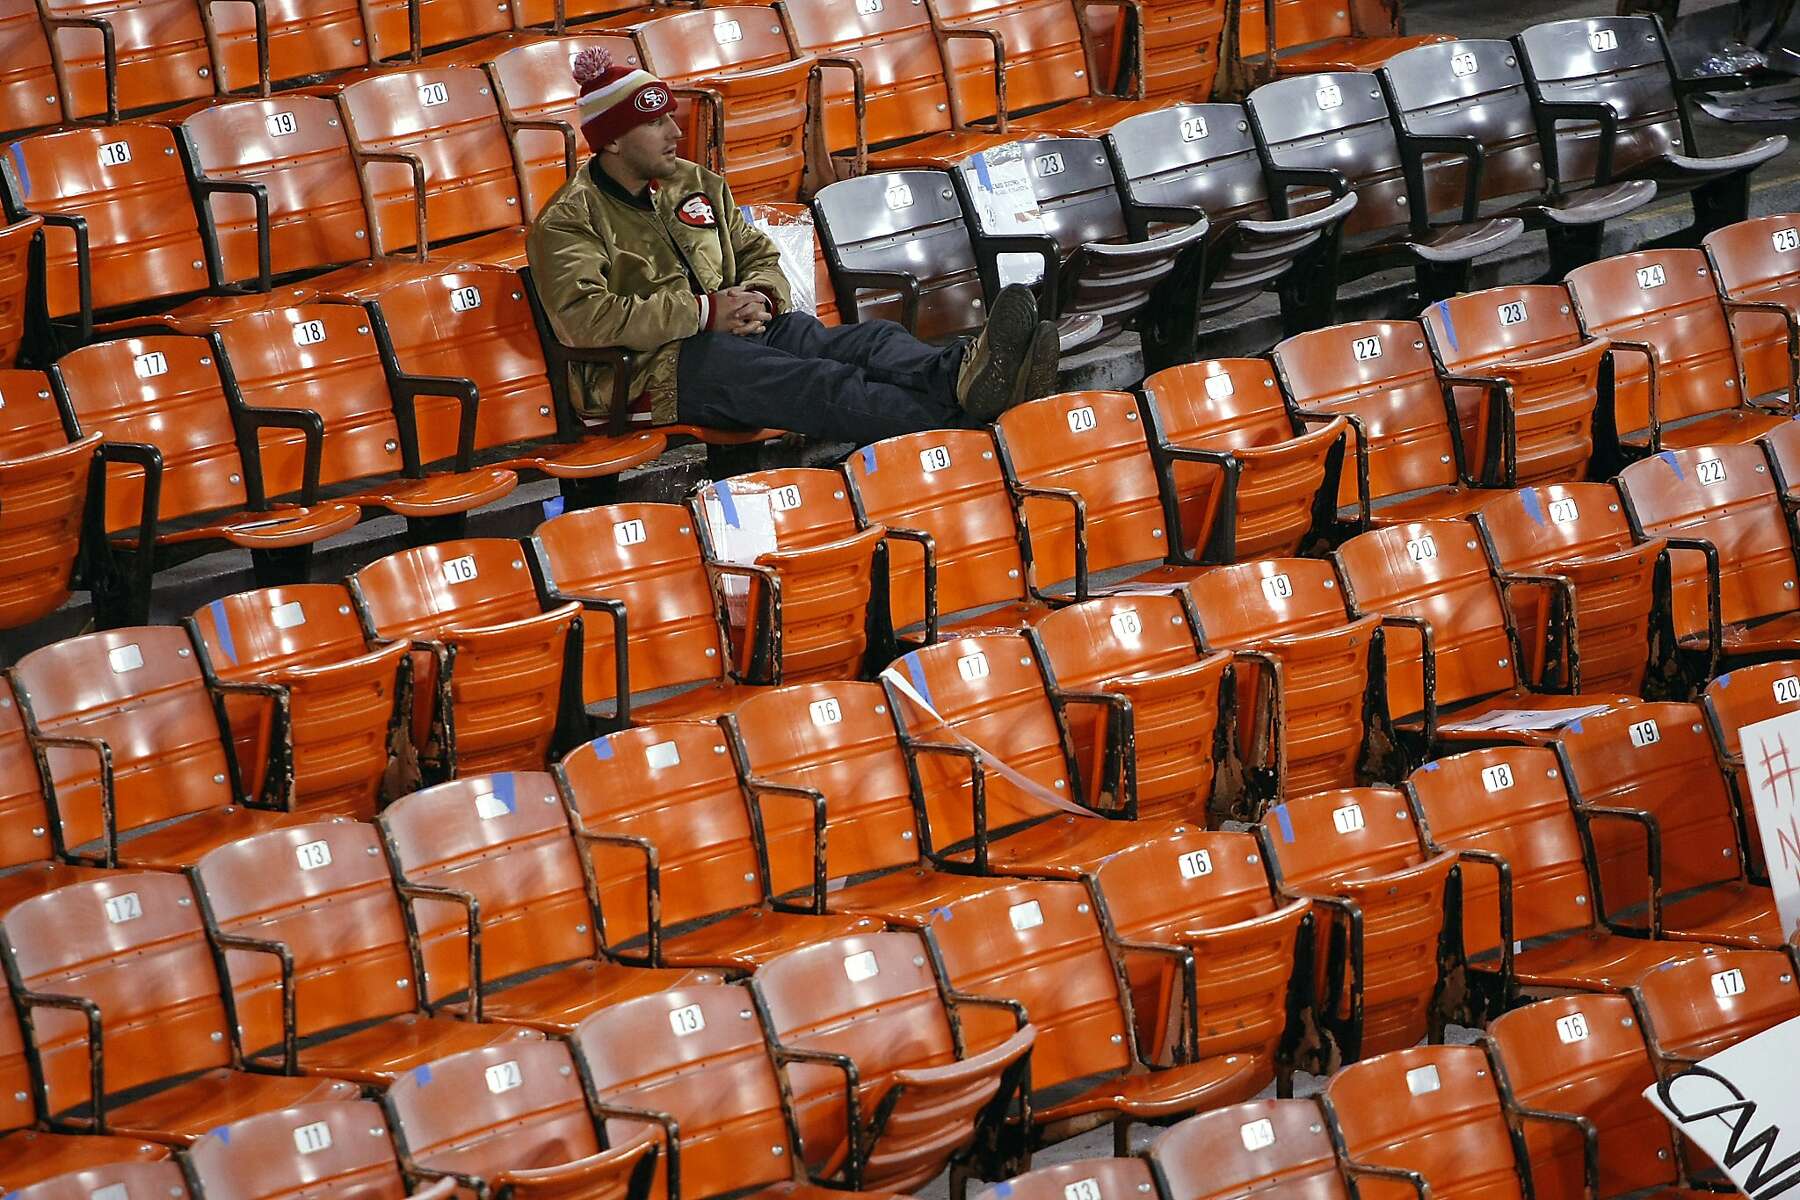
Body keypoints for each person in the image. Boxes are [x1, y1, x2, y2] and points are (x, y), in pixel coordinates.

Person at [526, 48, 1059, 442]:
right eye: (655, 122)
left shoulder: (697, 183)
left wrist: (762, 295)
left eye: (671, 116)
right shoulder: (568, 220)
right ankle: (975, 429)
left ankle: (965, 376)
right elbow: (586, 320)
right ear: (612, 140)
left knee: (867, 342)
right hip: (646, 377)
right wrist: (704, 312)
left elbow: (757, 252)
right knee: (817, 382)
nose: (674, 131)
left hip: (735, 335)